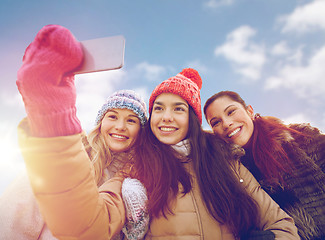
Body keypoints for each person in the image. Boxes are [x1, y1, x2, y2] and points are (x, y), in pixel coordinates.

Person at [15, 24, 299, 239]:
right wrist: (52, 118)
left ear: (192, 118)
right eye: (159, 108)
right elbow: (86, 226)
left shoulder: (226, 163)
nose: (166, 117)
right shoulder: (136, 169)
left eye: (178, 109)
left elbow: (282, 225)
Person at [4, 24, 148, 240]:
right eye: (112, 116)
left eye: (131, 120)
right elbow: (15, 215)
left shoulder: (136, 178)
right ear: (100, 123)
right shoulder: (79, 155)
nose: (120, 126)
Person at [204, 90, 325, 240]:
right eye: (216, 122)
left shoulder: (302, 138)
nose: (227, 124)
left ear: (249, 111)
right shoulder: (231, 172)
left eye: (231, 112)